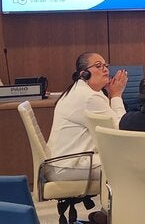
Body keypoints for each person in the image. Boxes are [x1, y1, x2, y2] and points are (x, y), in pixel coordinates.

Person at [46, 52, 127, 223]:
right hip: (69, 165)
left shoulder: (80, 91)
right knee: (129, 167)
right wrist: (117, 96)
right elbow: (120, 132)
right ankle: (115, 217)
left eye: (106, 66)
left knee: (123, 161)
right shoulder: (90, 97)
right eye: (98, 66)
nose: (105, 70)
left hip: (62, 162)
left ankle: (107, 215)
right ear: (84, 73)